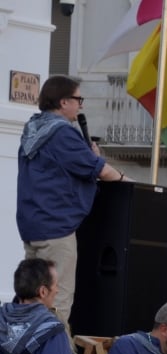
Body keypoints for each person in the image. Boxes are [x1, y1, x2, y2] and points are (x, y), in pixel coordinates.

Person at [17, 76, 129, 323]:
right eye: (78, 99)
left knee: (32, 299)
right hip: (57, 229)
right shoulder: (62, 134)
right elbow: (98, 170)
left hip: (33, 226)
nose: (81, 105)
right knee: (58, 300)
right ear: (63, 101)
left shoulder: (33, 129)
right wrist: (126, 180)